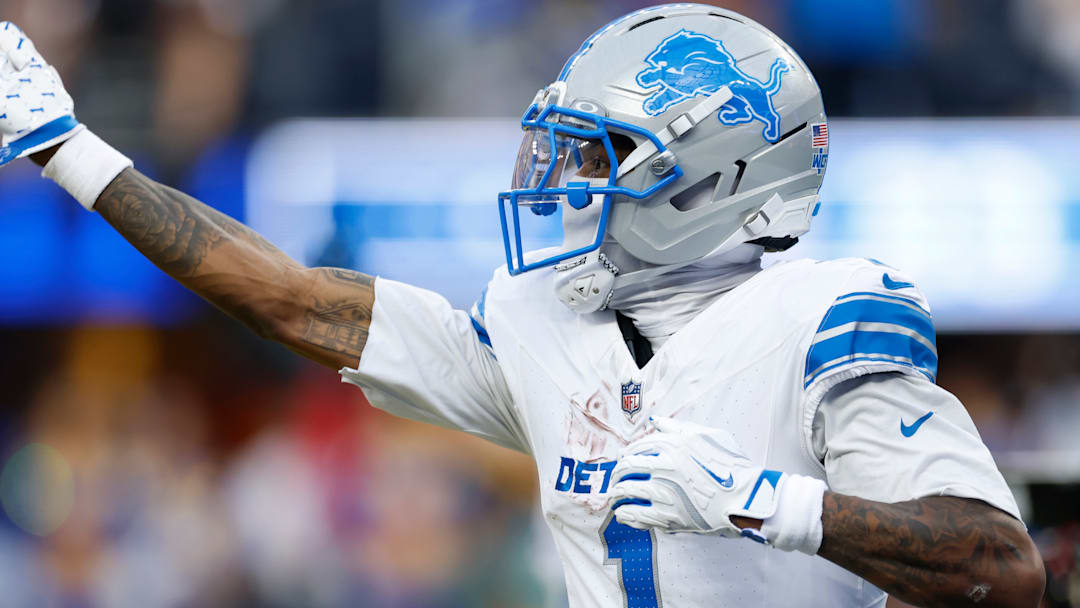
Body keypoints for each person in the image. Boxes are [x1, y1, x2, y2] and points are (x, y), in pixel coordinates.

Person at [0, 6, 1045, 607]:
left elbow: (1002, 567)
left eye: (605, 154)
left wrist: (774, 504)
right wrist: (70, 150)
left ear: (722, 174)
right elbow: (291, 301)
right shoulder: (542, 319)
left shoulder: (829, 317)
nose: (569, 181)